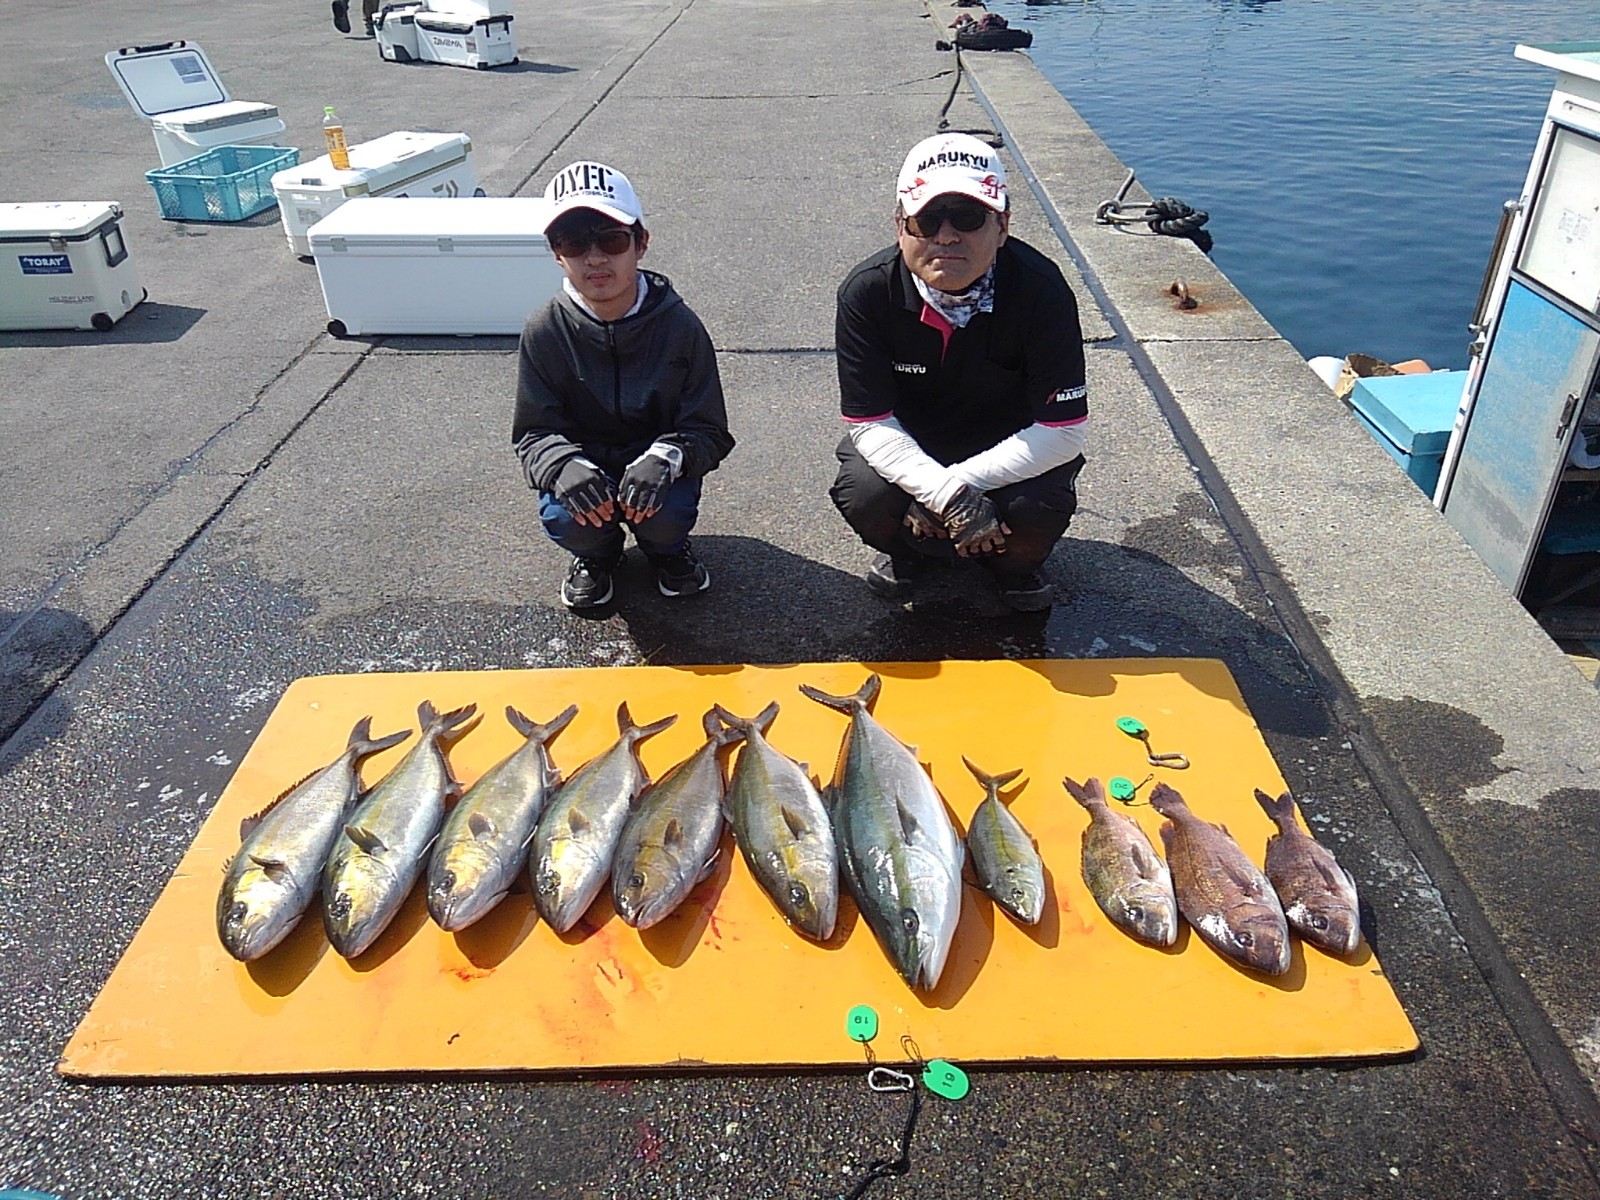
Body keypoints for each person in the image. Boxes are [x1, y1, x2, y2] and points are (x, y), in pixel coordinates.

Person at [829, 132, 1088, 611]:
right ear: (900, 226)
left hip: (1012, 458)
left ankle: (1011, 565)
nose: (946, 236)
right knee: (864, 493)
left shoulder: (1043, 291)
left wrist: (955, 490)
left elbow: (1063, 431)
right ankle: (912, 553)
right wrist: (945, 495)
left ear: (1003, 225)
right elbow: (869, 422)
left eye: (968, 218)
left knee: (1036, 512)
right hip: (912, 451)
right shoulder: (865, 293)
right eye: (927, 219)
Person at [513, 161, 734, 610]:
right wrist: (561, 465)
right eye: (574, 242)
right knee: (564, 514)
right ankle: (597, 556)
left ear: (641, 243)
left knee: (667, 514)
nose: (594, 258)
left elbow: (709, 430)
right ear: (556, 252)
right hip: (586, 470)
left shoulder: (680, 326)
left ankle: (666, 550)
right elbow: (532, 433)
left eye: (612, 240)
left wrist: (667, 457)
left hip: (654, 469)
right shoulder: (544, 330)